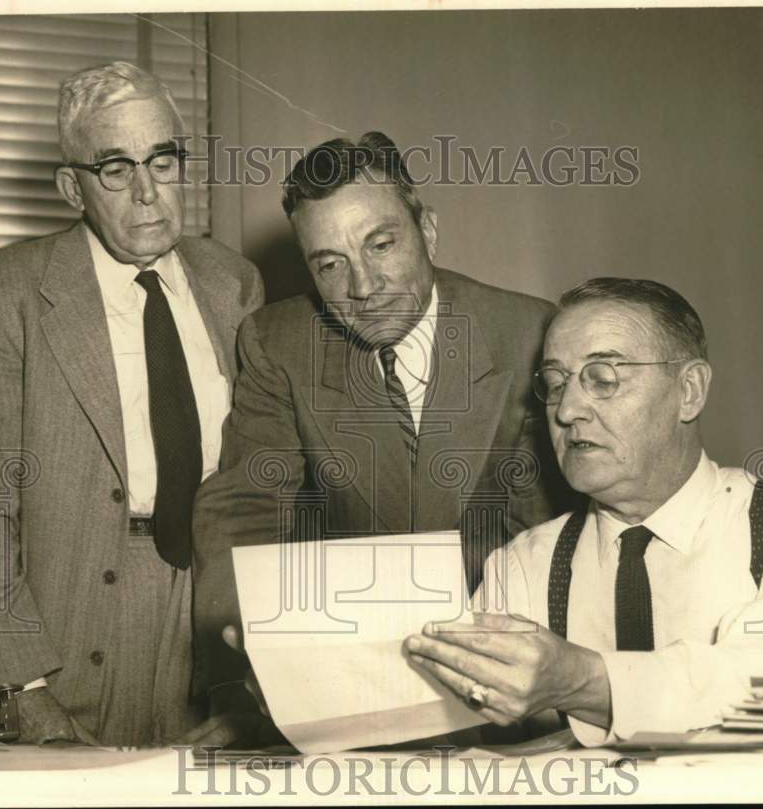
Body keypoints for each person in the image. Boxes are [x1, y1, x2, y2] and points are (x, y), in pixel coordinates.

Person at [0, 61, 264, 747]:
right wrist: (22, 689)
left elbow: (261, 487)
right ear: (70, 187)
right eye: (115, 168)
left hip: (210, 630)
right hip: (62, 630)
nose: (146, 192)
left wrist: (251, 682)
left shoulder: (234, 283)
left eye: (161, 160)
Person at [191, 132, 580, 713]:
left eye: (380, 245)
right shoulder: (278, 342)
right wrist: (250, 621)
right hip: (341, 671)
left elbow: (551, 534)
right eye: (330, 264)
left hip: (500, 665)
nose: (363, 288)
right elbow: (246, 506)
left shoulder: (528, 333)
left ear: (427, 232)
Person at [405, 278, 763, 745]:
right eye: (554, 382)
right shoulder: (523, 565)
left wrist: (586, 680)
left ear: (689, 391)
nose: (566, 410)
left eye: (603, 378)